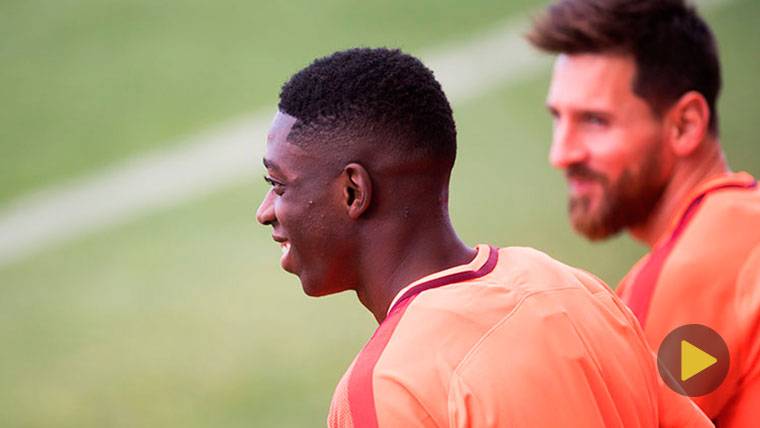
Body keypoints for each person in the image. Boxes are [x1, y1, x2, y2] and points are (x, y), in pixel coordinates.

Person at [255, 48, 708, 427]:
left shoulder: (385, 388)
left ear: (353, 192)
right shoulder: (573, 288)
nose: (265, 211)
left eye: (279, 185)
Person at [528, 0, 760, 425]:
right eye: (558, 118)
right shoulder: (744, 225)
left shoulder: (693, 267)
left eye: (595, 121)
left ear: (685, 125)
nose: (561, 154)